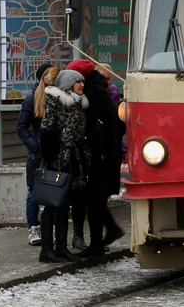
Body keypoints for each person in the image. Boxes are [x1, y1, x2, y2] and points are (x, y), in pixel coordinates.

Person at [67, 58, 124, 256]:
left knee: (94, 197)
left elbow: (112, 122)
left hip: (101, 154)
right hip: (97, 152)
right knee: (94, 198)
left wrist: (103, 151)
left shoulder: (96, 92)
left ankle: (98, 243)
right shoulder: (94, 89)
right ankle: (103, 237)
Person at [38, 69, 90, 263]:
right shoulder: (56, 102)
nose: (82, 85)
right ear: (68, 85)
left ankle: (61, 247)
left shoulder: (78, 104)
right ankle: (46, 250)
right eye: (78, 82)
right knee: (52, 204)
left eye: (82, 81)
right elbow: (46, 131)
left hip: (73, 160)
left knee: (64, 205)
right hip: (58, 160)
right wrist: (52, 158)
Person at [16, 63, 58, 247]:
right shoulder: (32, 99)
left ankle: (50, 228)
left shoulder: (59, 97)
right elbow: (22, 127)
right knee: (34, 192)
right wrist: (35, 147)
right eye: (49, 77)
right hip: (39, 154)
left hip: (55, 153)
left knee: (54, 191)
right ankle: (33, 228)